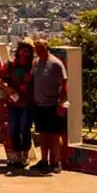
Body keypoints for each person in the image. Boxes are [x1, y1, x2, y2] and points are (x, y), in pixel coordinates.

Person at [0, 38, 36, 170]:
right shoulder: (10, 65)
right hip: (13, 102)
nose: (24, 53)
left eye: (27, 51)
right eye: (22, 50)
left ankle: (25, 155)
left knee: (25, 129)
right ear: (18, 51)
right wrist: (8, 89)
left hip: (28, 102)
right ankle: (17, 155)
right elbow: (0, 79)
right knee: (14, 129)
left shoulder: (33, 66)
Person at [30, 38, 68, 174]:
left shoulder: (56, 64)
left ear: (47, 48)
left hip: (53, 104)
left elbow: (64, 85)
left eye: (41, 49)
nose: (38, 52)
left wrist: (61, 102)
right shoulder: (37, 62)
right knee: (42, 134)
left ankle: (57, 161)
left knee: (54, 135)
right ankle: (44, 160)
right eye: (37, 50)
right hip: (39, 104)